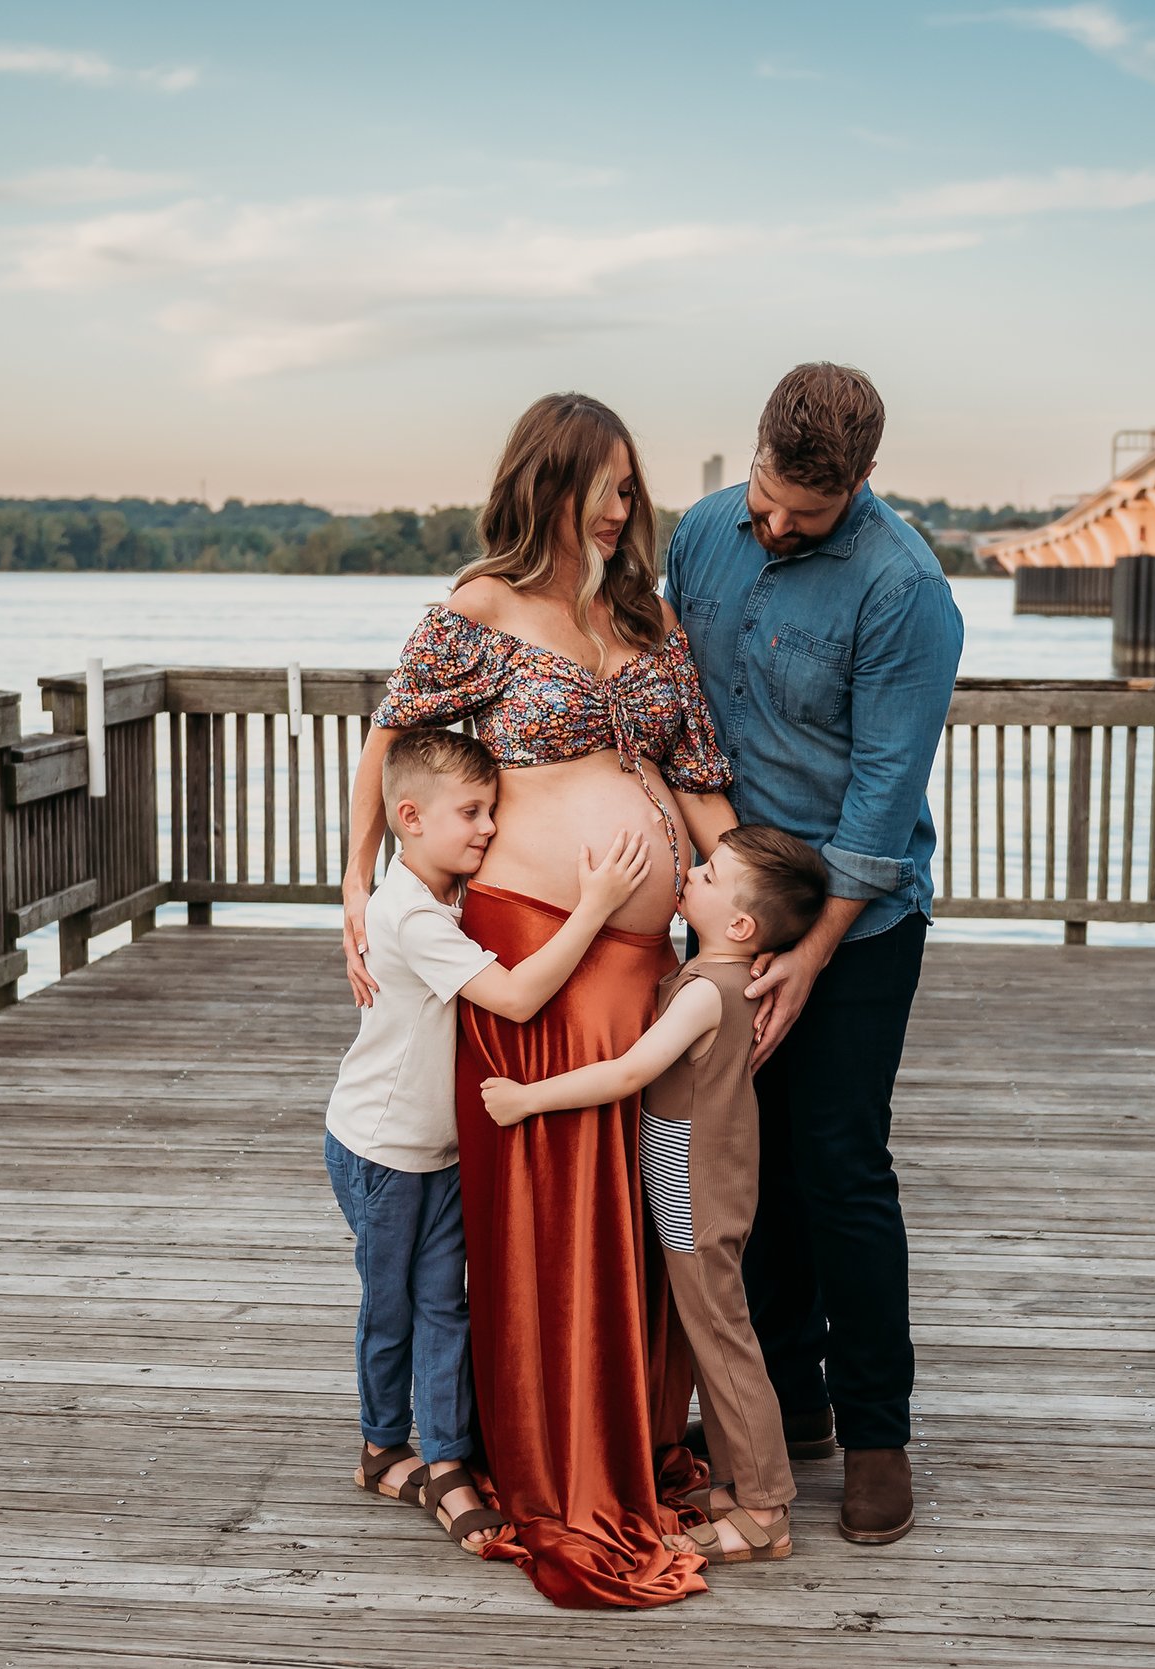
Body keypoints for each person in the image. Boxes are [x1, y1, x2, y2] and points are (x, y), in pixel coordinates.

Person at [340, 393, 740, 1609]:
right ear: (549, 485)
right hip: (536, 965)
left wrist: (756, 911)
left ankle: (637, 1440)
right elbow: (389, 741)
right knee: (558, 1224)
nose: (626, 505)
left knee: (643, 1213)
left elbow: (697, 777)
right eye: (605, 485)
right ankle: (556, 1454)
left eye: (632, 483)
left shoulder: (649, 616)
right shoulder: (481, 608)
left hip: (647, 974)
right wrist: (352, 885)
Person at [661, 362, 964, 1546]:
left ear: (864, 482)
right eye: (768, 498)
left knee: (837, 1168)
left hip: (861, 922)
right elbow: (681, 710)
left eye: (805, 514)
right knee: (745, 1167)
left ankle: (876, 1430)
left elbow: (885, 800)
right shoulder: (700, 533)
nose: (773, 525)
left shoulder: (906, 591)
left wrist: (815, 949)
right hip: (729, 909)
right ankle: (790, 1410)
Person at [326, 728, 653, 1555]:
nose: (488, 829)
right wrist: (595, 906)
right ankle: (378, 1447)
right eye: (471, 813)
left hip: (435, 1148)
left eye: (493, 811)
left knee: (447, 1302)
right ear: (409, 817)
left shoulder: (444, 900)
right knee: (395, 1303)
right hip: (382, 1147)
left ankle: (445, 1461)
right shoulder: (411, 913)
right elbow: (512, 999)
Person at [481, 826, 829, 1568]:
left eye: (709, 873)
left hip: (699, 1197)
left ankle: (767, 1509)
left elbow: (626, 1073)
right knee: (712, 1339)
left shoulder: (709, 992)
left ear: (740, 925)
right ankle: (739, 1486)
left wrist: (525, 1098)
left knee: (727, 1345)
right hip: (690, 1189)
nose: (693, 873)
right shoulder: (714, 973)